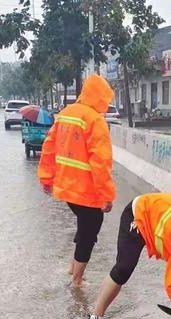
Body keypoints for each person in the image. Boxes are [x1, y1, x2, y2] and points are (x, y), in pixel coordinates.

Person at [38, 74, 116, 288]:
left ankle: (72, 268)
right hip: (86, 191)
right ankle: (77, 281)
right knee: (90, 231)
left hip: (66, 189)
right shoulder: (95, 120)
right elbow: (100, 163)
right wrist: (107, 195)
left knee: (84, 227)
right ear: (100, 97)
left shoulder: (65, 114)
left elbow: (48, 148)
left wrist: (47, 179)